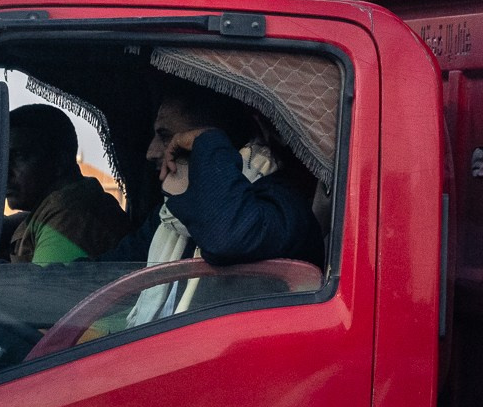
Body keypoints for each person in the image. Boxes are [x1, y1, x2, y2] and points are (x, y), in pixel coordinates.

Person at [100, 81, 324, 270]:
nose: (152, 153)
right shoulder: (171, 216)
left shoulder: (282, 206)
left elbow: (229, 238)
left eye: (167, 137)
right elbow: (110, 270)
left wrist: (207, 141)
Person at [4, 105, 131, 265]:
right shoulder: (51, 210)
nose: (5, 171)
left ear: (59, 162)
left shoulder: (69, 214)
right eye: (3, 159)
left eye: (18, 157)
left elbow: (43, 288)